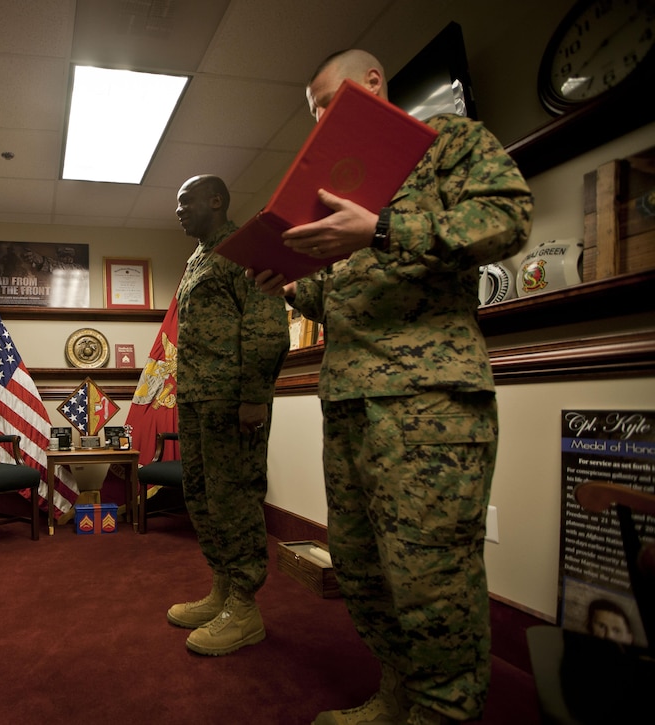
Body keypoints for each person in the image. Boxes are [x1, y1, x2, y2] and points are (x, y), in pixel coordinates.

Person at [249, 50, 533, 724]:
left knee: (430, 575)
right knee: (364, 566)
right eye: (312, 111)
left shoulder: (449, 144)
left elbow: (507, 219)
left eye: (325, 103)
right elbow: (345, 294)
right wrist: (291, 281)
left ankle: (444, 710)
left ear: (372, 83)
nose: (318, 120)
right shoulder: (342, 186)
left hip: (428, 401)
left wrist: (378, 226)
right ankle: (398, 693)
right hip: (349, 401)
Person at [166, 174, 290, 656]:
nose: (178, 210)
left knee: (234, 498)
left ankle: (244, 606)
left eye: (185, 200)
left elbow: (265, 324)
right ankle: (221, 588)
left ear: (215, 200)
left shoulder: (246, 247)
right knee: (201, 496)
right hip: (198, 400)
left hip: (232, 401)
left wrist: (255, 395)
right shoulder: (199, 256)